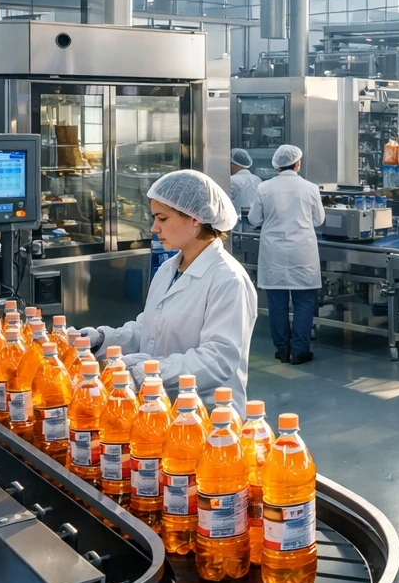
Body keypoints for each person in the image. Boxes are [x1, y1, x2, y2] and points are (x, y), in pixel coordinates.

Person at [82, 170, 257, 411]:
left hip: (208, 414)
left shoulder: (227, 279)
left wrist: (154, 372)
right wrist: (103, 339)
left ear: (195, 219)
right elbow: (150, 328)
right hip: (161, 408)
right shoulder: (169, 269)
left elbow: (218, 359)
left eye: (162, 219)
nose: (154, 228)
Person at [248, 144, 325, 364]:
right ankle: (299, 350)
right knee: (304, 302)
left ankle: (282, 349)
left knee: (277, 304)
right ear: (297, 163)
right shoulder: (310, 188)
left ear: (276, 165)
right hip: (302, 253)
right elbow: (319, 220)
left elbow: (254, 219)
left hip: (274, 253)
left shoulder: (264, 188)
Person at [229, 148, 261, 213]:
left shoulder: (232, 180)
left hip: (237, 217)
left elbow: (225, 202)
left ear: (233, 164)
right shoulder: (257, 179)